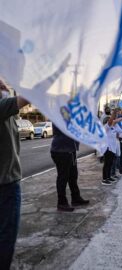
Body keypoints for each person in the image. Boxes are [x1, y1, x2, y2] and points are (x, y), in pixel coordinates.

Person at [0, 80, 29, 270]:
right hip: (6, 185)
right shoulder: (3, 107)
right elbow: (29, 96)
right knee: (5, 238)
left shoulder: (4, 108)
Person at [50, 126, 90, 211]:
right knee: (63, 177)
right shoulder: (59, 116)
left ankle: (76, 198)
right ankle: (61, 203)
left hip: (70, 150)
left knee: (73, 176)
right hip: (61, 151)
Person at [101, 109, 122, 185]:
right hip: (107, 148)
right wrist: (114, 113)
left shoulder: (113, 128)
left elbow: (116, 121)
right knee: (107, 164)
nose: (113, 121)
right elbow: (112, 120)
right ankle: (104, 179)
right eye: (111, 121)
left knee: (110, 163)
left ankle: (108, 177)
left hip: (113, 149)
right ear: (107, 122)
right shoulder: (106, 127)